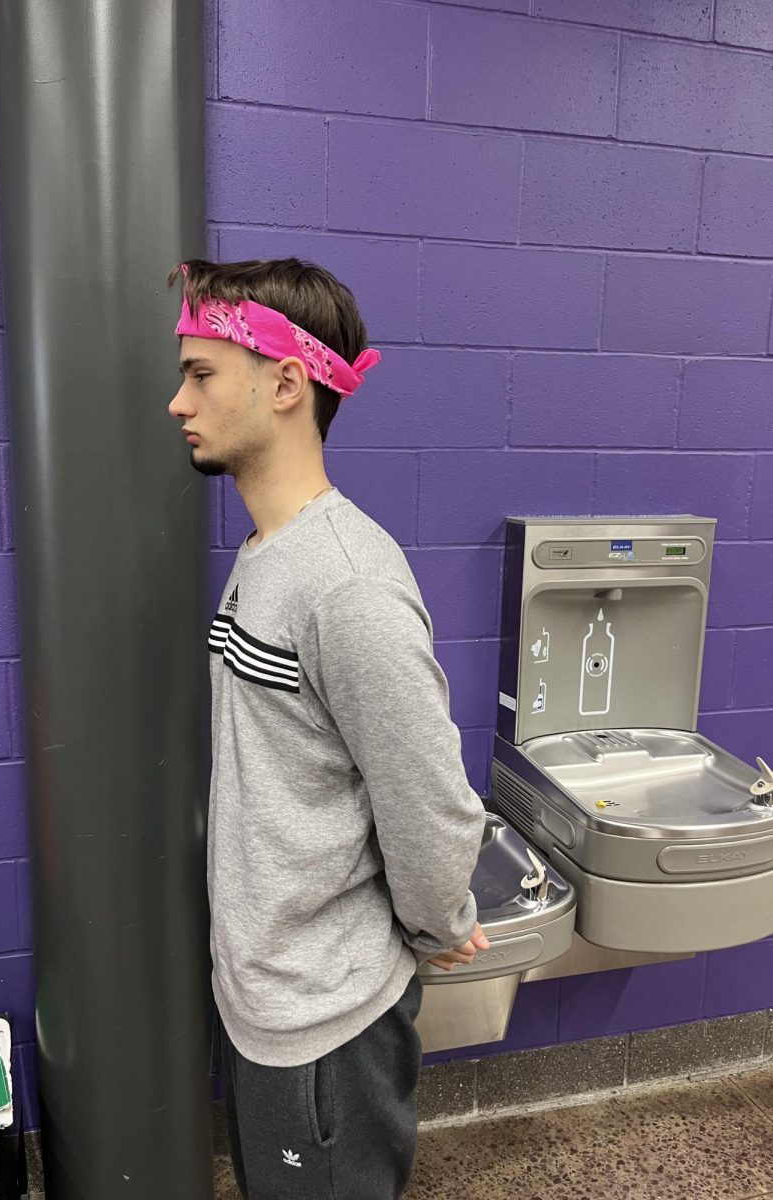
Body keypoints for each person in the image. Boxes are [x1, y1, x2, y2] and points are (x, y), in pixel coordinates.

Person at [168, 257, 489, 1200]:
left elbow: (429, 796)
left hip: (330, 1023)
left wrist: (444, 915)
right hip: (271, 996)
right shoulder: (266, 554)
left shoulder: (348, 585)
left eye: (200, 373)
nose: (178, 401)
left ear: (283, 384)